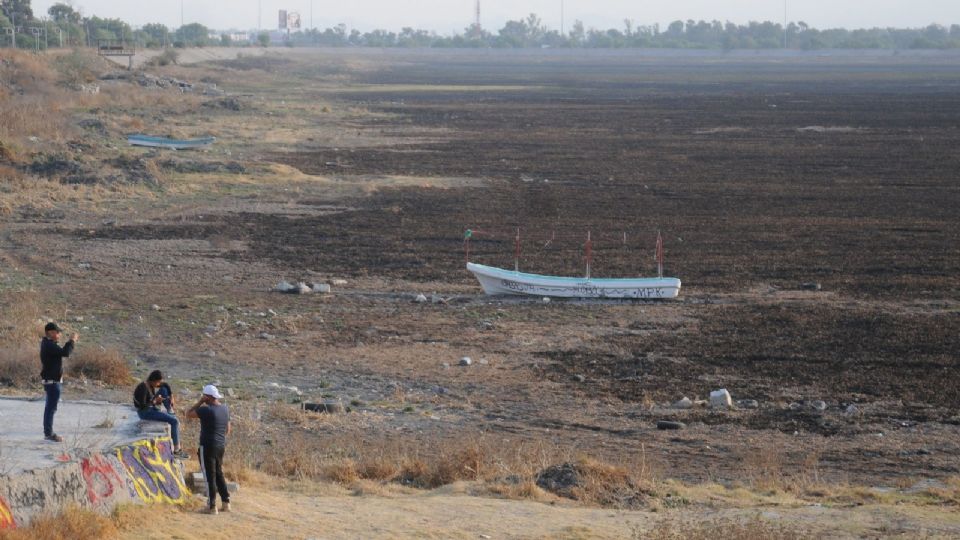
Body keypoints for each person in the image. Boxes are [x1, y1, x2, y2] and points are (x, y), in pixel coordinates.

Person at [187, 384, 232, 515]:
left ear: (207, 397)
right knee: (219, 473)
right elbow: (228, 429)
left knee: (209, 476)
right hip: (220, 445)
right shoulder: (225, 409)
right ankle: (226, 502)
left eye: (204, 396)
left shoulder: (205, 410)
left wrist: (200, 402)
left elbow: (188, 414)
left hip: (207, 446)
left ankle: (212, 506)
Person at [133, 371, 189, 459]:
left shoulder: (150, 384)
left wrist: (171, 396)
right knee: (174, 421)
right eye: (158, 382)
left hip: (150, 406)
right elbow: (142, 406)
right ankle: (177, 451)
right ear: (153, 380)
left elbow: (165, 385)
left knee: (164, 389)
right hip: (145, 412)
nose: (159, 384)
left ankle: (170, 410)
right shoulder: (143, 388)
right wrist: (155, 401)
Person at [40, 322, 78, 443]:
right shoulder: (49, 345)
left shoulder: (48, 344)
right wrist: (72, 341)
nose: (59, 334)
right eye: (57, 332)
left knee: (50, 408)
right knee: (51, 408)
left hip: (51, 381)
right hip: (52, 382)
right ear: (50, 332)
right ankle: (49, 434)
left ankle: (48, 433)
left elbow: (61, 352)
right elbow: (65, 352)